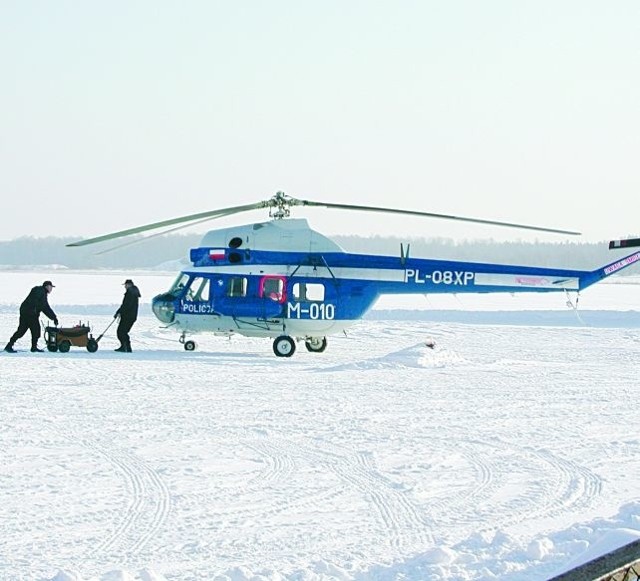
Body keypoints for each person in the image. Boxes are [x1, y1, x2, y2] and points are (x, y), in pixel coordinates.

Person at [4, 280, 58, 353]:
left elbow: (44, 307)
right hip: (30, 314)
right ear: (47, 286)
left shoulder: (41, 292)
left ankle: (9, 346)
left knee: (21, 331)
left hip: (26, 313)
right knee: (35, 330)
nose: (51, 289)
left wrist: (53, 317)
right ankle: (33, 347)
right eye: (51, 287)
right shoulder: (40, 292)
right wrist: (53, 317)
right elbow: (44, 307)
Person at [114, 279, 141, 353]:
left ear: (130, 285)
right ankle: (125, 347)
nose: (125, 286)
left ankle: (126, 347)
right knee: (122, 331)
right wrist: (119, 312)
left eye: (126, 285)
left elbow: (126, 305)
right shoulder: (132, 293)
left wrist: (119, 312)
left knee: (121, 331)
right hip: (130, 316)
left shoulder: (130, 293)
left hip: (128, 316)